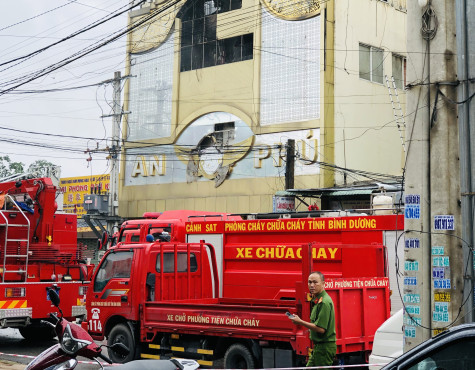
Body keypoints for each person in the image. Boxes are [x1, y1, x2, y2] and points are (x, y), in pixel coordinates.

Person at [290, 271, 336, 367]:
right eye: (309, 282)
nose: (312, 285)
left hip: (324, 348)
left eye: (315, 282)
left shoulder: (324, 302)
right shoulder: (317, 300)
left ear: (323, 283)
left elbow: (321, 329)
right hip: (319, 347)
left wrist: (300, 322)